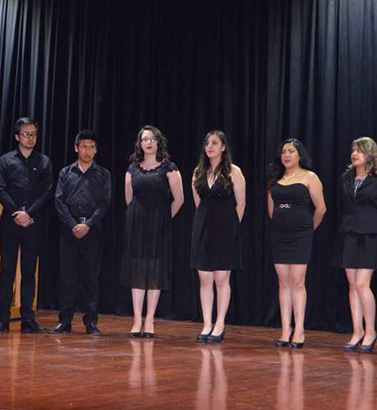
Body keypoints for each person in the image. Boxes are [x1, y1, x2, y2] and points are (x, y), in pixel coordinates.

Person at [332, 137, 377, 353]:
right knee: (352, 285)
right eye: (353, 149)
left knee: (362, 284)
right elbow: (341, 205)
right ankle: (357, 331)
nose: (354, 153)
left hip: (371, 235)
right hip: (349, 234)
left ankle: (371, 331)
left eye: (359, 150)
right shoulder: (346, 177)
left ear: (370, 154)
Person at [121, 125, 184, 338]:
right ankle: (137, 319)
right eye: (144, 139)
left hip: (159, 224)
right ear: (139, 144)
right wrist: (138, 217)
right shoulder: (132, 168)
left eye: (152, 139)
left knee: (155, 269)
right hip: (136, 223)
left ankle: (149, 319)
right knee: (137, 268)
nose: (148, 142)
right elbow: (129, 198)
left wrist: (164, 218)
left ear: (158, 142)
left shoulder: (169, 167)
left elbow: (179, 199)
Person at [0, 117, 52, 333]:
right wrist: (17, 212)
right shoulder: (5, 160)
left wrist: (29, 213)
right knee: (6, 270)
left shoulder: (44, 161)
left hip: (33, 223)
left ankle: (28, 319)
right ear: (17, 136)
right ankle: (2, 319)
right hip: (10, 221)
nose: (30, 138)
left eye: (33, 134)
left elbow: (47, 191)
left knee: (28, 272)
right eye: (25, 134)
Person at [267, 138, 326, 348]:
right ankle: (285, 328)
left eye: (291, 151)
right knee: (283, 282)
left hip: (301, 235)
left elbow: (321, 209)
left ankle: (299, 329)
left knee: (298, 281)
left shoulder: (310, 177)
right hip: (279, 235)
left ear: (299, 155)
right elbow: (271, 209)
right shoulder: (276, 180)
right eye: (283, 151)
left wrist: (308, 229)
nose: (286, 155)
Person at [53, 129, 112, 335]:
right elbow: (59, 201)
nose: (87, 151)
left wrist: (88, 224)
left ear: (96, 150)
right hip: (69, 230)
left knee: (91, 278)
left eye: (91, 147)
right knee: (67, 277)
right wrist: (72, 224)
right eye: (84, 147)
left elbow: (105, 203)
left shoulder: (103, 174)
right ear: (76, 148)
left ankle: (91, 321)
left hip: (93, 230)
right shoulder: (65, 173)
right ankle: (65, 320)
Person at [191, 130, 246, 343]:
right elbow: (198, 202)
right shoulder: (198, 171)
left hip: (226, 228)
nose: (210, 147)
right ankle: (206, 323)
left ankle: (220, 323)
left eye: (214, 143)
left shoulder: (234, 171)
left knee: (222, 279)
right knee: (205, 278)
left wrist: (231, 227)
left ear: (223, 147)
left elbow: (241, 204)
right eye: (207, 143)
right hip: (202, 227)